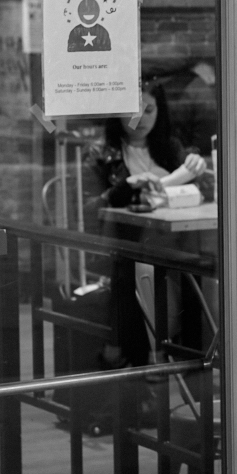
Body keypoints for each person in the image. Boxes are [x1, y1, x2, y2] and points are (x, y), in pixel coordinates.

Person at [87, 80, 213, 367]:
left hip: (171, 246)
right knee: (144, 273)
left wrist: (198, 169)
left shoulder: (170, 147)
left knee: (198, 271)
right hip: (123, 247)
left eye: (149, 110)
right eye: (132, 111)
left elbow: (204, 191)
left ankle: (192, 366)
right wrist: (127, 186)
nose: (141, 119)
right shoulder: (102, 152)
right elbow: (90, 207)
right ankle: (149, 362)